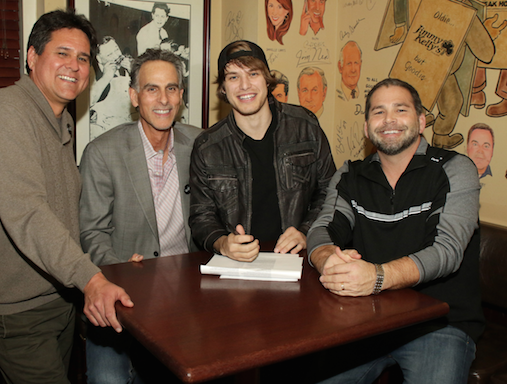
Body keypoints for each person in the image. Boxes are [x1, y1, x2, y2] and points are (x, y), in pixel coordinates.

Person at [0, 10, 133, 384]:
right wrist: (91, 279)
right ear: (32, 57)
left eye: (83, 58)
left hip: (56, 298)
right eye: (62, 53)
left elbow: (66, 215)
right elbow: (27, 214)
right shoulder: (4, 112)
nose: (74, 66)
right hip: (13, 309)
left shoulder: (60, 120)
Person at [307, 78, 484, 383]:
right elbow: (323, 228)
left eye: (400, 110)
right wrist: (326, 260)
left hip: (441, 325)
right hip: (367, 321)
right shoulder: (351, 175)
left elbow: (447, 252)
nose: (389, 120)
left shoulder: (455, 169)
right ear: (366, 127)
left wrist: (376, 277)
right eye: (378, 112)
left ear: (421, 121)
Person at [79, 48, 201, 383]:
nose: (163, 99)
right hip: (121, 297)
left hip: (185, 300)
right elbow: (91, 232)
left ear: (181, 95)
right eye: (151, 89)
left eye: (172, 88)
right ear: (134, 96)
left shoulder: (201, 144)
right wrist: (118, 266)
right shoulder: (102, 153)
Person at [189, 40, 336, 262]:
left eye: (253, 74)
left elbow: (329, 191)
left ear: (267, 80)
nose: (244, 85)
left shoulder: (305, 127)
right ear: (223, 88)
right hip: (236, 267)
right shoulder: (207, 147)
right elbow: (202, 216)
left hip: (298, 261)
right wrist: (223, 243)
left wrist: (306, 231)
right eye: (233, 77)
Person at [90, 36, 134, 140]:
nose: (116, 56)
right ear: (99, 59)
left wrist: (134, 72)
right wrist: (106, 77)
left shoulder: (129, 65)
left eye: (116, 50)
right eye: (109, 54)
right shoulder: (92, 73)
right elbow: (89, 100)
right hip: (106, 133)